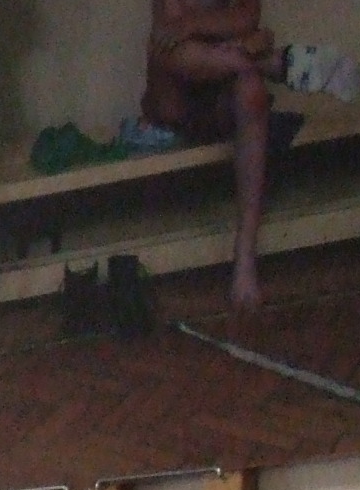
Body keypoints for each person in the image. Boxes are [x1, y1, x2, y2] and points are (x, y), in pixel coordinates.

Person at [141, 0, 277, 310]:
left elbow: (248, 15)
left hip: (222, 84)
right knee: (176, 52)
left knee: (252, 91)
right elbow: (171, 33)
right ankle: (265, 63)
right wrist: (239, 42)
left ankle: (245, 255)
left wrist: (200, 27)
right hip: (176, 98)